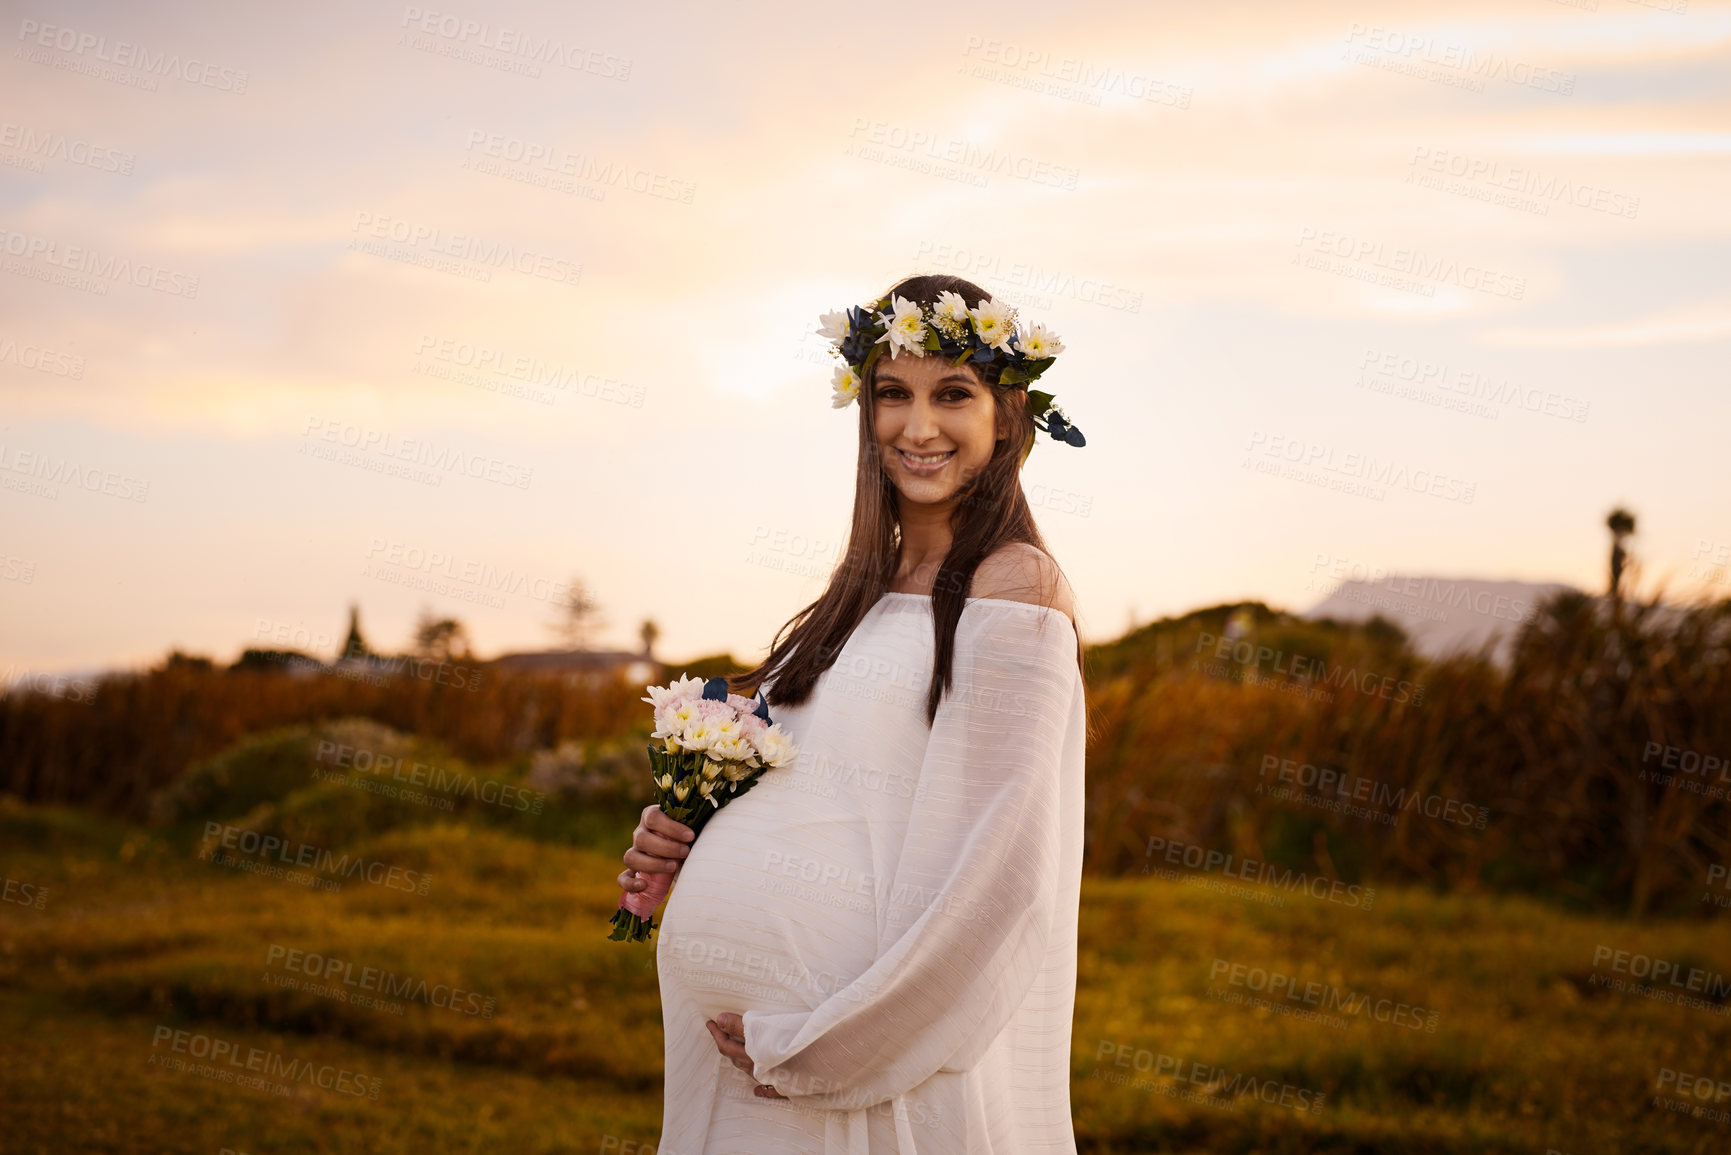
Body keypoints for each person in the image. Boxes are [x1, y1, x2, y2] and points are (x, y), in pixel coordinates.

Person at [618, 273, 1090, 1154]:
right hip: (743, 1068)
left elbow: (1003, 873)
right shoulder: (853, 600)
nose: (917, 426)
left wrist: (827, 1049)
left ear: (1008, 413)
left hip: (856, 1078)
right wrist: (689, 831)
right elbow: (824, 792)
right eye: (890, 395)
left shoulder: (1013, 583)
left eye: (952, 394)